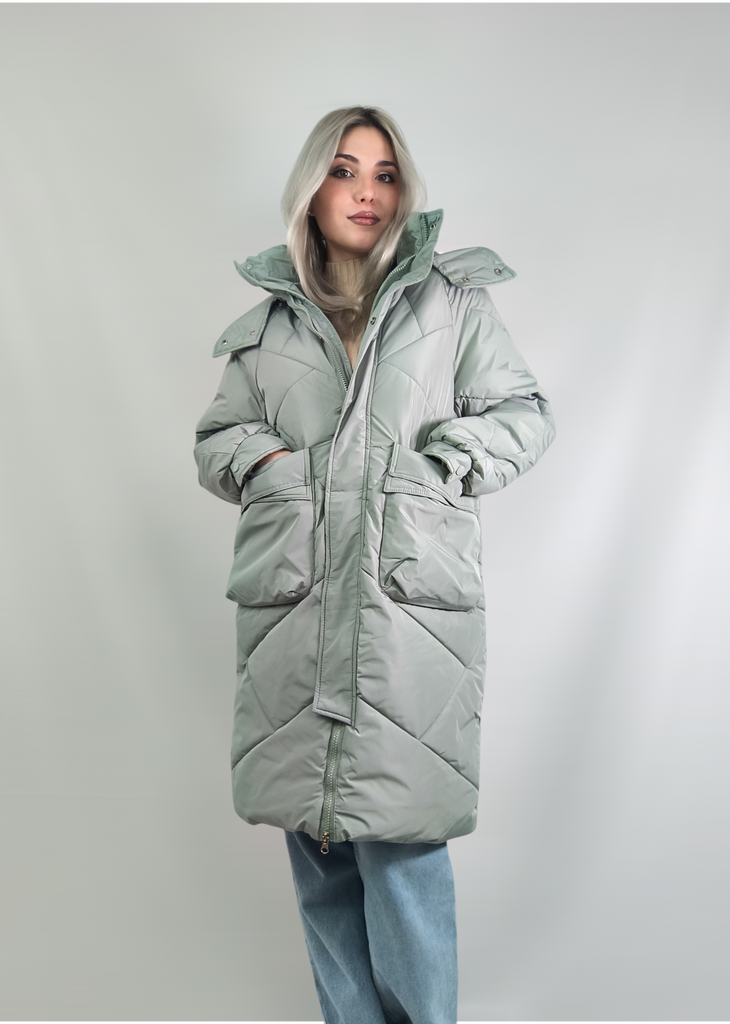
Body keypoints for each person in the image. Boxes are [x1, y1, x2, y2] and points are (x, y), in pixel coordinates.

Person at [194, 106, 555, 1024]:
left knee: (401, 852)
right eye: (345, 170)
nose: (366, 191)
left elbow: (523, 414)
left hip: (407, 619)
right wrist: (269, 465)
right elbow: (218, 438)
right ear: (311, 190)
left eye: (385, 174)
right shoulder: (271, 325)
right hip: (295, 617)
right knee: (319, 858)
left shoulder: (452, 303)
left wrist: (442, 465)